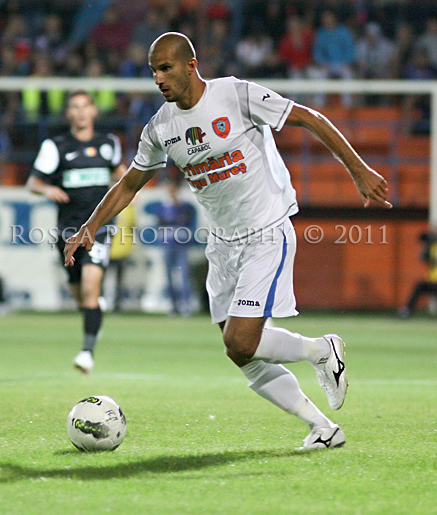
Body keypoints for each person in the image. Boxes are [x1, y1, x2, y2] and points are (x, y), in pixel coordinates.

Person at [63, 33, 391, 451]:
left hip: (266, 231)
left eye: (165, 68)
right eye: (153, 71)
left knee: (241, 340)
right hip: (222, 242)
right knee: (240, 353)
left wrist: (358, 171)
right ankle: (323, 428)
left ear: (190, 65)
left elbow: (309, 118)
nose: (159, 78)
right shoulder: (161, 127)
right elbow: (129, 184)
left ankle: (321, 350)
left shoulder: (236, 95)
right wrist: (90, 227)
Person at [27, 90, 125, 375]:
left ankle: (86, 353)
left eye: (85, 107)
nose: (81, 112)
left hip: (99, 227)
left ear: (94, 111)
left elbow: (120, 171)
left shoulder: (108, 144)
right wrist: (47, 188)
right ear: (68, 113)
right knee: (81, 296)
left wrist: (130, 182)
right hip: (67, 230)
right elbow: (32, 182)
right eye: (75, 107)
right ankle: (95, 313)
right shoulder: (56, 146)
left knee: (91, 288)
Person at [155, 177, 196, 316]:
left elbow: (187, 222)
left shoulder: (185, 206)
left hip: (181, 245)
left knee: (183, 275)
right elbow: (161, 224)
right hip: (168, 244)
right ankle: (172, 306)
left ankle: (185, 304)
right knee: (169, 275)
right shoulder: (162, 207)